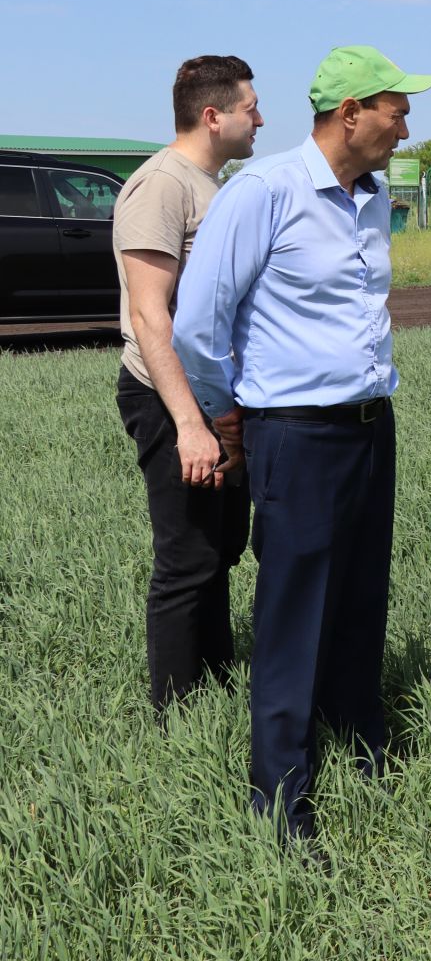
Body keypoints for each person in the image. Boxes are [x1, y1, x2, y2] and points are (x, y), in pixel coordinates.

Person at [174, 44, 431, 842]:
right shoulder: (266, 191)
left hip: (366, 428)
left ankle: (361, 751)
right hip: (295, 433)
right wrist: (228, 418)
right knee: (294, 615)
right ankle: (282, 802)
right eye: (397, 107)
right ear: (351, 112)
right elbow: (196, 325)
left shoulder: (371, 193)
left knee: (360, 599)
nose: (407, 122)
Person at [112, 55, 262, 713]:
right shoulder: (162, 186)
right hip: (171, 401)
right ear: (213, 115)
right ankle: (176, 715)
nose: (260, 118)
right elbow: (150, 314)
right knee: (187, 559)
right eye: (250, 107)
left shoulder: (217, 186)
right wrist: (192, 426)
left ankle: (219, 682)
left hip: (216, 399)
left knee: (222, 550)